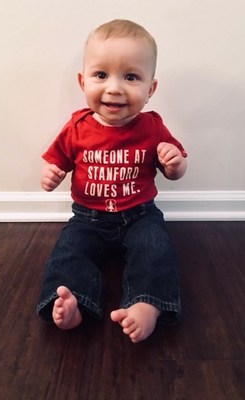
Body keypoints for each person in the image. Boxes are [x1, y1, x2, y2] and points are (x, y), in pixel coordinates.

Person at [37, 19, 187, 343]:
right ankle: (71, 301)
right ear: (83, 81)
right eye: (101, 75)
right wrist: (50, 175)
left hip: (139, 215)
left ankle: (148, 303)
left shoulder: (153, 127)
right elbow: (57, 160)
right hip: (88, 219)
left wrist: (175, 163)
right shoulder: (77, 127)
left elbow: (175, 168)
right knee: (67, 252)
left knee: (156, 249)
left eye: (131, 76)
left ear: (150, 89)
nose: (115, 87)